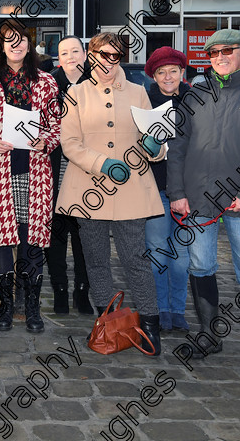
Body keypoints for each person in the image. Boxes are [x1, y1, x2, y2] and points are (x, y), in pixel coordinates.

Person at [168, 29, 240, 367]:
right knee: (201, 264)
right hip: (198, 199)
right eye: (213, 52)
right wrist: (177, 193)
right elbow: (177, 146)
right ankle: (208, 334)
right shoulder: (196, 94)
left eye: (227, 50)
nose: (220, 57)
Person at [55, 32, 166, 356]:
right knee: (96, 260)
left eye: (115, 55)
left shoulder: (138, 92)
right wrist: (102, 163)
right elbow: (70, 143)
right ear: (91, 56)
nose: (107, 62)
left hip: (131, 190)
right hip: (88, 189)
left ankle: (149, 324)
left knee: (136, 259)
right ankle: (105, 321)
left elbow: (154, 138)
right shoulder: (74, 94)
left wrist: (154, 148)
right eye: (102, 55)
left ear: (122, 58)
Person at [0, 22, 60, 333]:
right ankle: (6, 308)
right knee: (0, 243)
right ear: (1, 45)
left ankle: (32, 307)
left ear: (29, 43)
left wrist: (46, 140)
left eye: (21, 39)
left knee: (31, 242)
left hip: (35, 171)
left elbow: (57, 124)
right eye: (9, 40)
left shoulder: (47, 82)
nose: (16, 45)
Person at [143, 47, 191, 332]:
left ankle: (178, 309)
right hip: (155, 187)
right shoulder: (146, 102)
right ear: (154, 75)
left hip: (187, 190)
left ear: (183, 73)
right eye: (162, 72)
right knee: (158, 252)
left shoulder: (196, 100)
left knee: (182, 256)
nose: (168, 76)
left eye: (173, 70)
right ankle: (160, 309)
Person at [45, 36, 92, 315]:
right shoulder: (50, 84)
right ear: (58, 58)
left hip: (86, 170)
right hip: (56, 168)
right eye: (65, 52)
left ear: (85, 54)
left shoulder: (96, 82)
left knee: (84, 236)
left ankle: (82, 291)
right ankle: (60, 289)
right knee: (57, 234)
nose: (71, 56)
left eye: (76, 51)